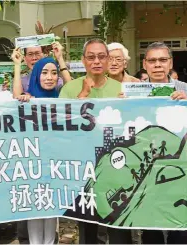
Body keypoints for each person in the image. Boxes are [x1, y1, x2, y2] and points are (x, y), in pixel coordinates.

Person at [59, 38, 131, 244]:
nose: (96, 61)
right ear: (83, 61)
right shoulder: (70, 89)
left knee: (118, 227)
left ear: (108, 60)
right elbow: (61, 128)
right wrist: (82, 96)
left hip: (117, 169)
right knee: (88, 230)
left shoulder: (121, 89)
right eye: (91, 57)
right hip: (84, 170)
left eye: (101, 57)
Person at [140, 42, 187, 244]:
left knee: (179, 221)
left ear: (170, 62)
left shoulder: (185, 89)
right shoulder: (133, 90)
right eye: (152, 60)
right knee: (150, 224)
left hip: (179, 164)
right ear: (145, 64)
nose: (157, 65)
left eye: (162, 60)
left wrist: (186, 104)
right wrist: (125, 103)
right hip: (147, 166)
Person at [12, 55, 61, 244]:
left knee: (51, 211)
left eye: (54, 73)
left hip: (55, 163)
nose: (49, 77)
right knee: (35, 208)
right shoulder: (28, 99)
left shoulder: (62, 100)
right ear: (36, 75)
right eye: (44, 73)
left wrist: (61, 59)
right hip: (32, 164)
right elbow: (15, 101)